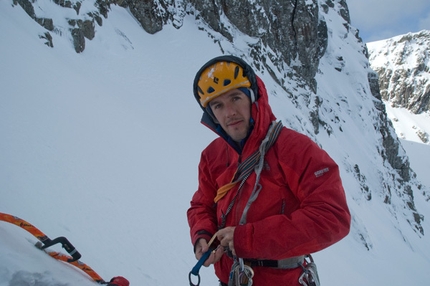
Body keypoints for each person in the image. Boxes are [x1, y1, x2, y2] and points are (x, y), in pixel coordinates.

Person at [187, 55, 351, 286]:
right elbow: (202, 205)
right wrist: (203, 237)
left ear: (254, 99)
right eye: (218, 105)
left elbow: (332, 217)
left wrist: (248, 238)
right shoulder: (212, 156)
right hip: (230, 278)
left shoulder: (296, 150)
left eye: (236, 98)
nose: (229, 113)